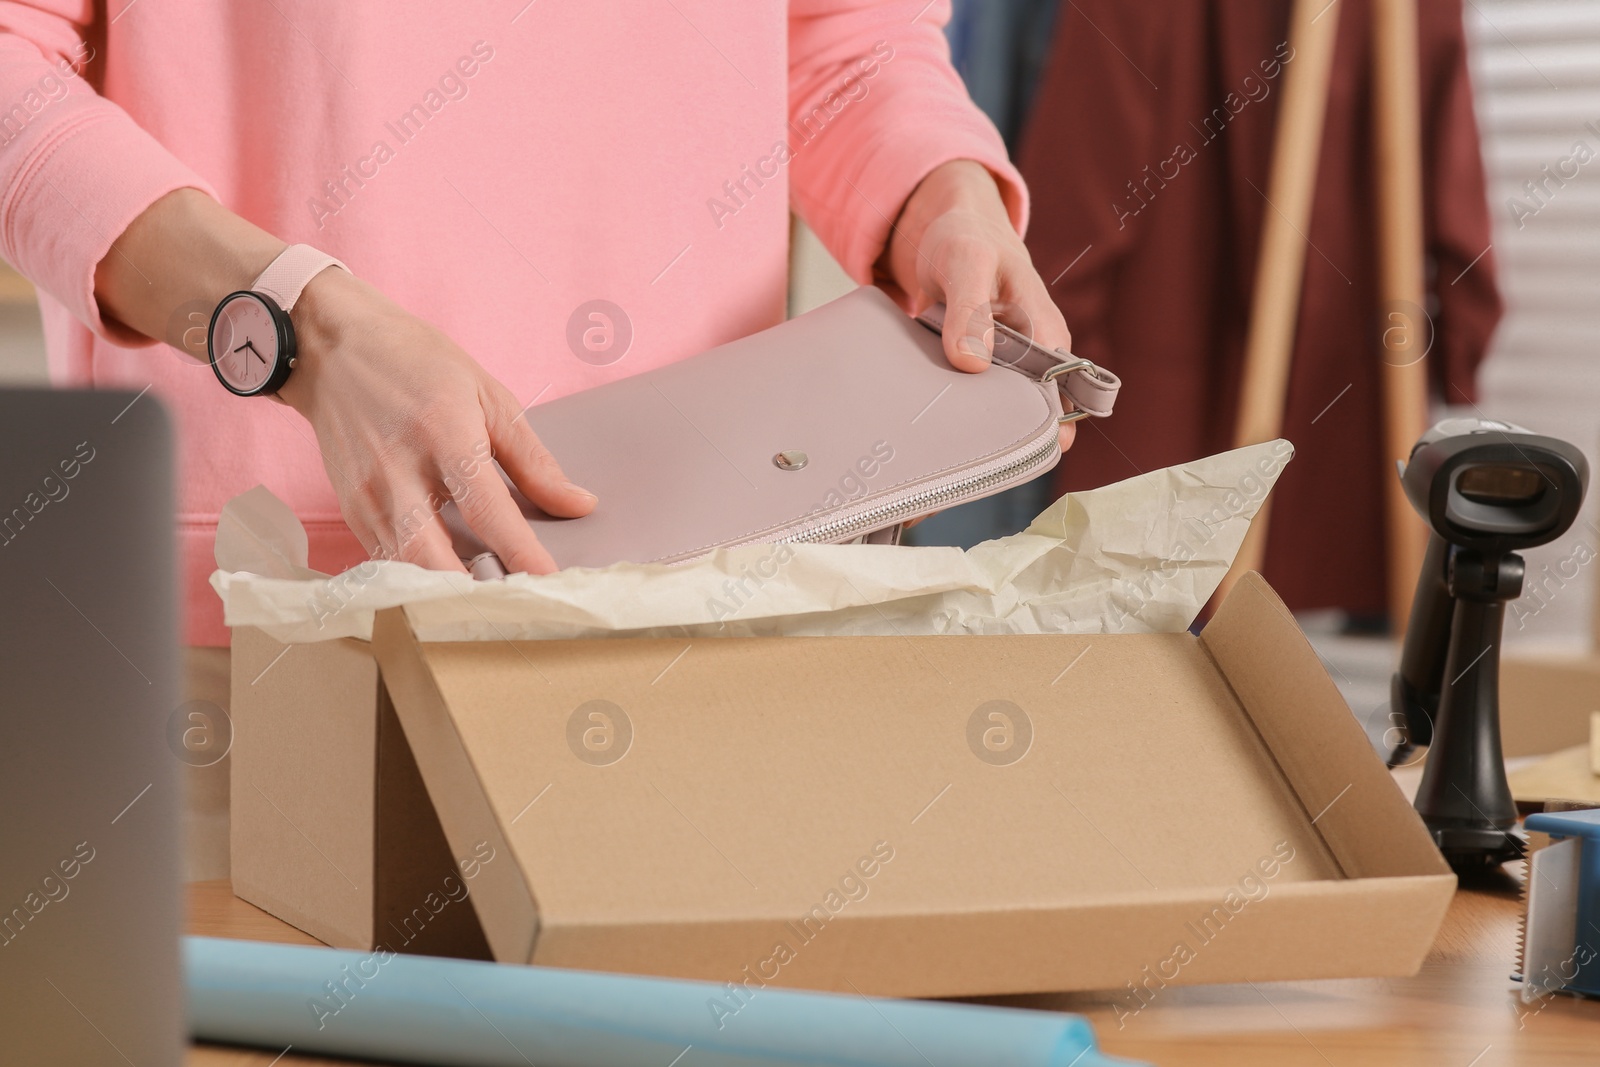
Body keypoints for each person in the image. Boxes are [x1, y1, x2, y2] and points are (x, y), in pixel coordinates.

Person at [1, 1, 1073, 652]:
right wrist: (300, 326)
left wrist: (941, 194)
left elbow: (847, 38)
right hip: (266, 607)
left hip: (709, 581)